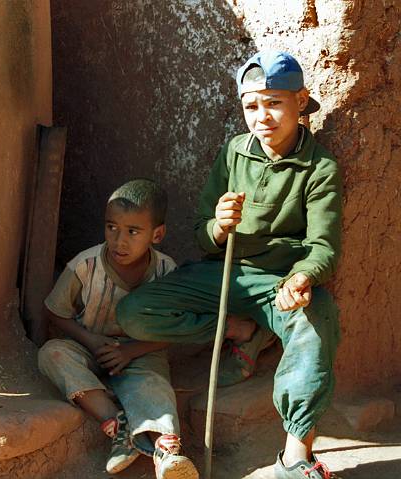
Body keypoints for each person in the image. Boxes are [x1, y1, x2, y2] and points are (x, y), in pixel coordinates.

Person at [117, 51, 342, 479]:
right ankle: (242, 331)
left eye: (274, 102)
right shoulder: (234, 152)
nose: (263, 116)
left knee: (320, 321)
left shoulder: (320, 168)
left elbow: (324, 246)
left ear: (301, 101)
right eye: (252, 106)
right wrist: (219, 227)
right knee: (134, 312)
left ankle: (296, 457)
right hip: (224, 274)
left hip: (279, 283)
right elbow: (201, 233)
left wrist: (303, 277)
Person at [38, 179, 199, 478]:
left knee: (153, 387)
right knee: (53, 354)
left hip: (141, 353)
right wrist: (90, 339)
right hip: (89, 348)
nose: (118, 240)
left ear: (158, 234)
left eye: (133, 232)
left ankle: (166, 454)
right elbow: (53, 311)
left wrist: (131, 351)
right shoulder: (85, 266)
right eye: (111, 227)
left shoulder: (166, 272)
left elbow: (175, 329)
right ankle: (119, 426)